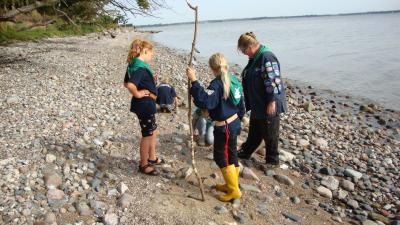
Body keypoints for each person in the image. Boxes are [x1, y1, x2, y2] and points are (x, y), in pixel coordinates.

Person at [186, 53, 245, 202]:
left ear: (212, 68)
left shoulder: (217, 84)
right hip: (233, 123)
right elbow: (241, 104)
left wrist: (194, 81)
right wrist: (239, 119)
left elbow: (204, 101)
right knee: (231, 154)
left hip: (224, 127)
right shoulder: (233, 80)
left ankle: (234, 190)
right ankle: (231, 184)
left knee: (221, 156)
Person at [236, 32, 287, 167]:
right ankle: (246, 152)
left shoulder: (267, 57)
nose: (245, 54)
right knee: (255, 131)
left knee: (270, 133)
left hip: (269, 103)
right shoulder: (254, 58)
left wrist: (272, 101)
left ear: (251, 46)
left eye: (244, 50)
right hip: (258, 103)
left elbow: (274, 81)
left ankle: (272, 161)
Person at [123, 39, 164, 176]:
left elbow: (126, 82)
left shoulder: (133, 65)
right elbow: (130, 85)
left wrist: (149, 82)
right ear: (145, 51)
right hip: (144, 105)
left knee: (154, 130)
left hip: (145, 104)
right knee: (147, 134)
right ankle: (143, 164)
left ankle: (152, 157)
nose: (152, 56)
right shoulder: (140, 68)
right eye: (151, 53)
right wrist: (138, 93)